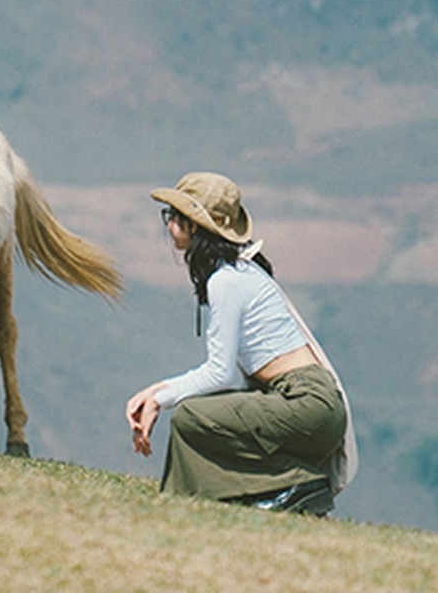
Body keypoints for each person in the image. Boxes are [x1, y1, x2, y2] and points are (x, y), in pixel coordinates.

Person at [126, 172, 357, 514]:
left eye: (176, 215)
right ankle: (262, 492)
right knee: (200, 412)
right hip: (312, 404)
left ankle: (296, 484)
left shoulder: (226, 281)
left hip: (305, 402)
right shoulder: (240, 271)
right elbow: (233, 377)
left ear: (197, 226)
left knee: (192, 416)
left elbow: (220, 374)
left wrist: (160, 399)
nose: (170, 221)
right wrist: (157, 390)